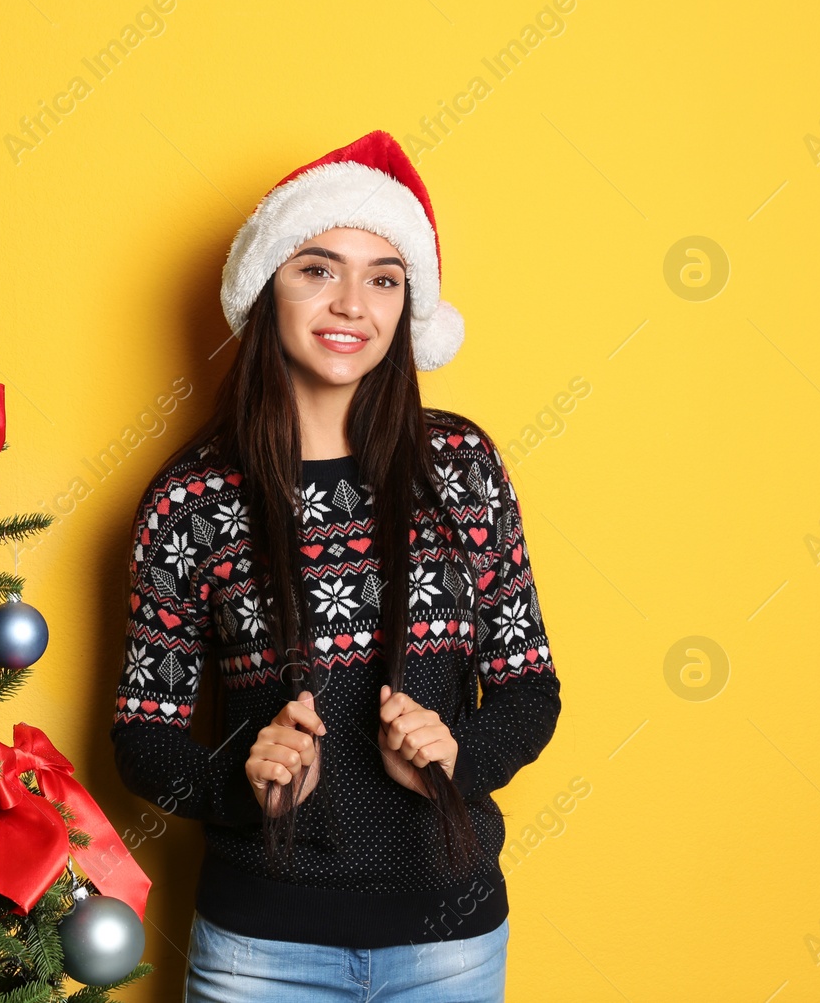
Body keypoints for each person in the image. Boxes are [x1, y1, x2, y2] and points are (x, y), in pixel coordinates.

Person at [109, 130, 562, 1002]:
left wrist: (457, 753)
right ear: (268, 287)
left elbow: (531, 689)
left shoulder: (462, 468)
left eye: (383, 277)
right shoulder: (190, 503)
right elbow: (142, 735)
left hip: (451, 948)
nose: (350, 302)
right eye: (317, 268)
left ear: (408, 308)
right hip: (259, 954)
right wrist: (240, 779)